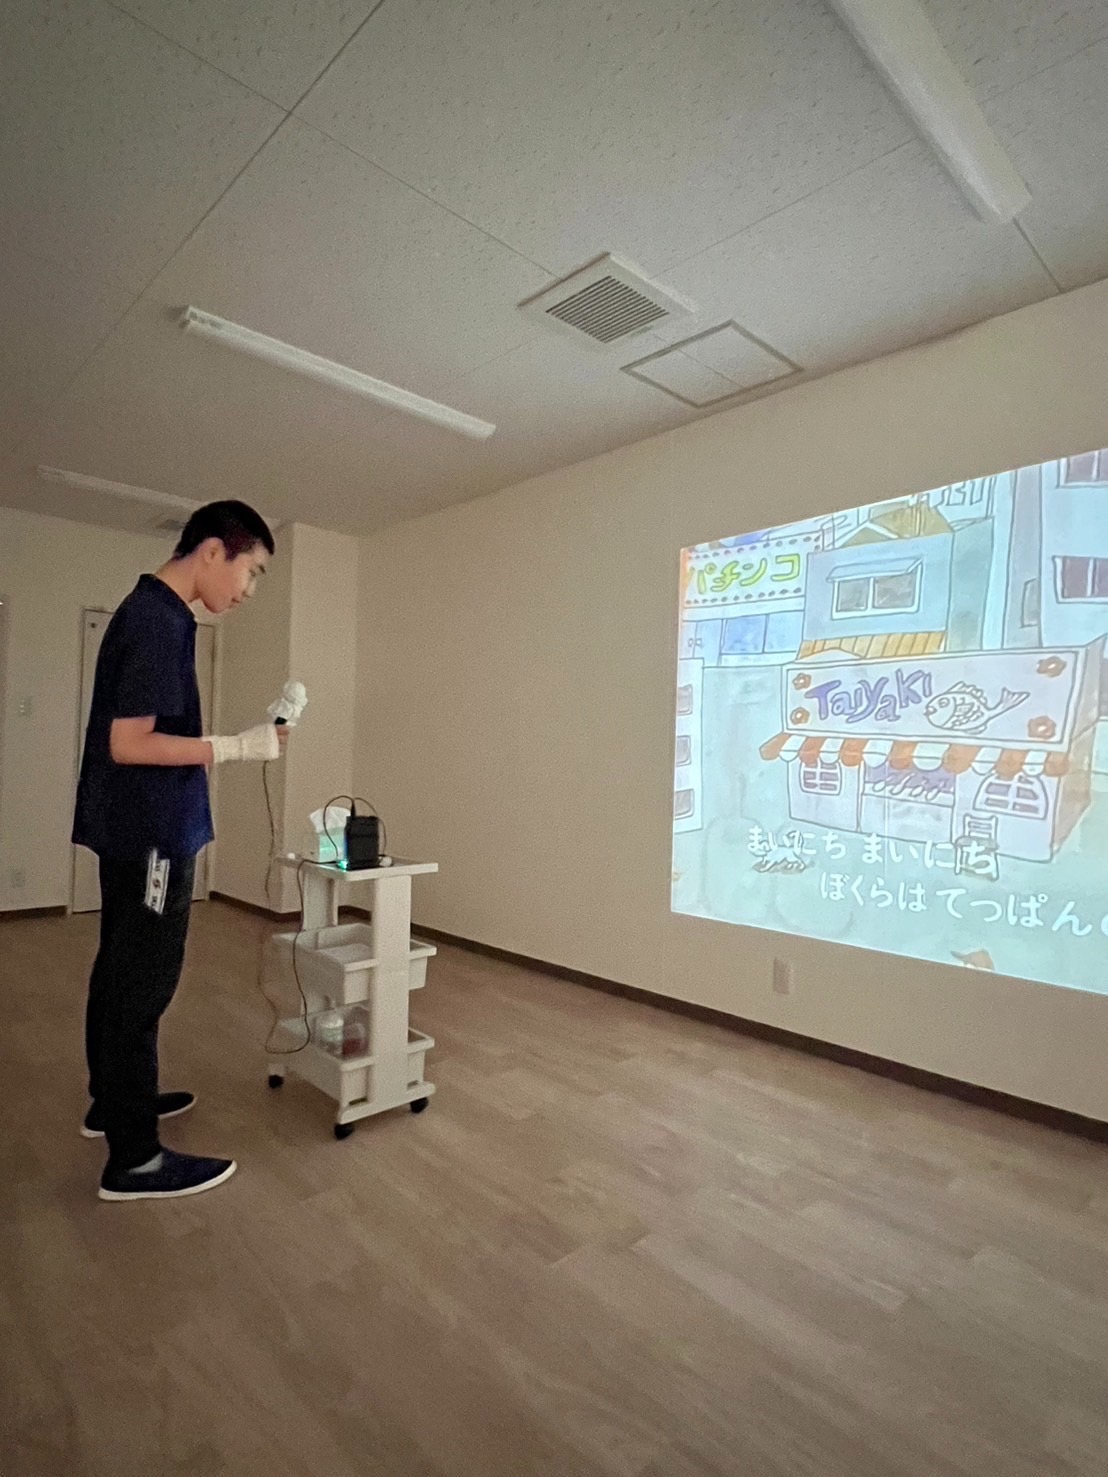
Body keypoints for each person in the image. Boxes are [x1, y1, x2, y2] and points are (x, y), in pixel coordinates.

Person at [73, 500, 286, 1202]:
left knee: (119, 970)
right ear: (213, 551)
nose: (247, 591)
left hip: (137, 830)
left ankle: (114, 1104)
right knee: (142, 984)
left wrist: (232, 744)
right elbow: (128, 743)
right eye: (251, 571)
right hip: (153, 838)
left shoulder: (151, 612)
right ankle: (135, 1160)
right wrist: (235, 746)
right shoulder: (159, 621)